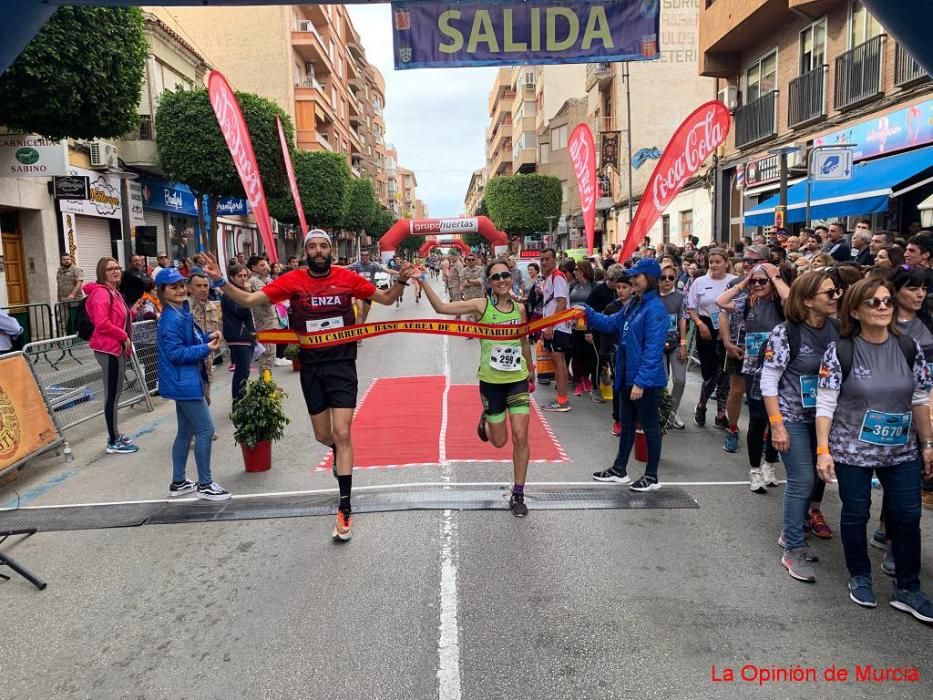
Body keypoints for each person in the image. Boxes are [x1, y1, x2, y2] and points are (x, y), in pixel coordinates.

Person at [203, 229, 415, 542]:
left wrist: (401, 281)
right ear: (306, 252)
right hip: (312, 367)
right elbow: (249, 299)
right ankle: (339, 452)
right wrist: (220, 281)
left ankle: (344, 506)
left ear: (330, 250)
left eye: (323, 245)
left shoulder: (347, 278)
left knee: (343, 433)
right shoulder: (293, 281)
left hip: (342, 365)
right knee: (323, 434)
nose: (318, 250)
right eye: (312, 246)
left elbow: (384, 298)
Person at [815, 277, 933, 621]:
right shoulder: (840, 350)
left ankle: (908, 588)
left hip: (901, 451)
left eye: (887, 302)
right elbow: (825, 403)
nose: (883, 307)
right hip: (853, 450)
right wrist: (823, 451)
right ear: (855, 310)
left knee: (908, 517)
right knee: (856, 512)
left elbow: (921, 398)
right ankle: (860, 576)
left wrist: (927, 444)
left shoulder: (909, 347)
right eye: (874, 302)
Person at [419, 259, 535, 517]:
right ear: (489, 283)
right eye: (496, 277)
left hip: (516, 380)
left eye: (505, 275)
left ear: (511, 278)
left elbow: (524, 339)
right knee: (499, 441)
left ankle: (518, 493)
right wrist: (423, 279)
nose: (502, 280)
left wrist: (531, 368)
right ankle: (486, 421)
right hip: (491, 382)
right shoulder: (480, 306)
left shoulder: (519, 309)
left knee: (520, 436)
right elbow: (441, 308)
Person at [761, 271, 841, 582]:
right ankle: (792, 547)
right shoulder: (786, 332)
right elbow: (769, 380)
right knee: (802, 479)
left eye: (837, 292)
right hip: (791, 416)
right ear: (807, 300)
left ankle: (790, 533)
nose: (835, 297)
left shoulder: (837, 330)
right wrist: (777, 424)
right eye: (828, 293)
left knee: (816, 480)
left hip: (823, 419)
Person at [585, 259, 668, 491]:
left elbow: (653, 349)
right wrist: (588, 312)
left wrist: (641, 382)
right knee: (628, 423)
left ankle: (651, 476)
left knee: (649, 426)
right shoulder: (634, 305)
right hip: (626, 375)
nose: (632, 280)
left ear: (649, 278)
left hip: (643, 380)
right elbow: (611, 323)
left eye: (637, 276)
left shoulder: (654, 309)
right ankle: (619, 469)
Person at [153, 269, 229, 501]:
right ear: (162, 291)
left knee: (185, 431)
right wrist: (206, 348)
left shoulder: (179, 311)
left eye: (180, 285)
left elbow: (188, 341)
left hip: (185, 379)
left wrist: (206, 337)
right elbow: (176, 353)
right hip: (183, 381)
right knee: (206, 430)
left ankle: (179, 481)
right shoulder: (171, 318)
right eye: (172, 287)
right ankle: (205, 483)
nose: (179, 290)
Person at [717, 262, 789, 491]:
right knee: (758, 419)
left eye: (762, 281)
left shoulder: (782, 306)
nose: (757, 285)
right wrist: (745, 282)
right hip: (753, 369)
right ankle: (755, 470)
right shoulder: (745, 304)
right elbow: (720, 302)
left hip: (780, 369)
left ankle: (769, 464)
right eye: (754, 281)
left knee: (776, 419)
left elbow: (792, 298)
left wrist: (775, 277)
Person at [83, 257, 141, 455]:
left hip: (116, 348)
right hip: (109, 349)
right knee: (111, 397)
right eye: (110, 269)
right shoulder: (101, 293)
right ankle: (113, 440)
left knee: (115, 395)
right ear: (102, 273)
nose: (115, 271)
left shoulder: (113, 292)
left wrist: (131, 313)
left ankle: (115, 433)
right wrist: (123, 335)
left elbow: (117, 317)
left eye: (117, 268)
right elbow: (102, 323)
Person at [686, 248, 736, 428]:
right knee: (709, 373)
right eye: (711, 261)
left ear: (726, 262)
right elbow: (690, 307)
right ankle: (702, 405)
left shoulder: (734, 281)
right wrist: (699, 323)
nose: (714, 265)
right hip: (706, 327)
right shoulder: (700, 282)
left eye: (718, 261)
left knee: (725, 373)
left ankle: (721, 414)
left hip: (729, 328)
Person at [539, 248, 573, 412]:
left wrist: (550, 326)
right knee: (561, 362)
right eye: (542, 259)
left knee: (558, 362)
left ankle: (561, 400)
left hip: (557, 326)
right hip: (558, 326)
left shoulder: (557, 276)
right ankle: (562, 397)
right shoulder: (551, 277)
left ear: (554, 260)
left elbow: (560, 302)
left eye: (547, 259)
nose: (544, 262)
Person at [220, 264, 256, 404]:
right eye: (239, 276)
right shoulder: (230, 294)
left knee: (245, 370)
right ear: (232, 278)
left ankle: (242, 397)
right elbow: (240, 311)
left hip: (247, 335)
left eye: (245, 276)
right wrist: (247, 298)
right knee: (242, 371)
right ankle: (238, 401)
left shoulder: (243, 292)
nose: (243, 279)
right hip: (237, 336)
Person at [658, 264, 687, 429]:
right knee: (661, 381)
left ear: (676, 279)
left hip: (676, 344)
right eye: (663, 277)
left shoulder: (682, 297)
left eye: (671, 277)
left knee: (680, 380)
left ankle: (672, 412)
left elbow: (683, 319)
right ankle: (662, 412)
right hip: (657, 345)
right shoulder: (652, 297)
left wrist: (683, 344)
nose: (667, 281)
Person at [188, 272, 223, 407]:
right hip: (191, 359)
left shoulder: (213, 307)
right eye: (198, 286)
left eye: (206, 286)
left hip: (208, 360)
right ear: (190, 288)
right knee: (194, 400)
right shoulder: (185, 307)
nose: (203, 289)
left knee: (206, 398)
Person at [569, 260, 596, 398]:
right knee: (576, 352)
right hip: (574, 323)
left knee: (588, 352)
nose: (575, 272)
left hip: (588, 323)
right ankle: (578, 380)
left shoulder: (593, 286)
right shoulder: (573, 285)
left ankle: (586, 378)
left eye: (578, 269)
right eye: (575, 270)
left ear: (585, 270)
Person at [347, 250, 398, 323]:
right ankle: (357, 330)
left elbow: (387, 271)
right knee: (360, 312)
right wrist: (330, 267)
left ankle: (360, 327)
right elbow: (345, 268)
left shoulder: (373, 265)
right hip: (359, 292)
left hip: (369, 292)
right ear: (361, 256)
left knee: (364, 315)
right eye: (362, 255)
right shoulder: (357, 265)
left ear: (369, 256)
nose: (364, 257)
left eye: (366, 255)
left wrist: (400, 273)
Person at [247, 255, 277, 373]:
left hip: (269, 321)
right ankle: (266, 386)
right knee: (267, 356)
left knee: (270, 356)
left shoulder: (266, 280)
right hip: (263, 324)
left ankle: (267, 384)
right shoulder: (254, 281)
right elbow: (269, 298)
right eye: (262, 265)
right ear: (254, 268)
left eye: (266, 264)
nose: (266, 267)